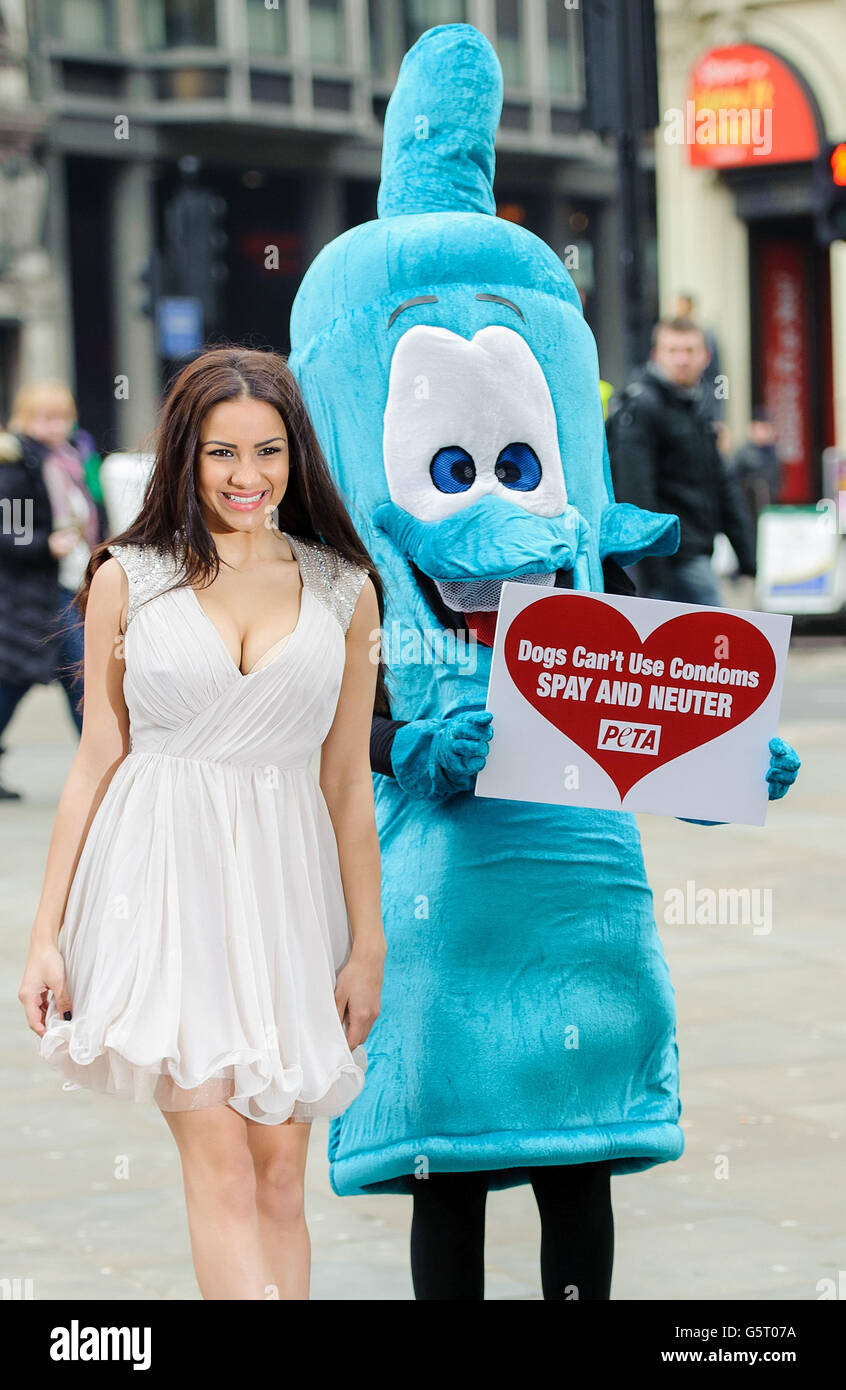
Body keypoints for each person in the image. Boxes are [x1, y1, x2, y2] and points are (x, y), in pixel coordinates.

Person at [18, 347, 387, 1301]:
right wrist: (46, 936)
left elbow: (347, 782)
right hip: (163, 882)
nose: (247, 478)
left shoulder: (345, 588)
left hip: (285, 898)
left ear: (295, 457)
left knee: (279, 1178)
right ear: (185, 457)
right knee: (220, 1163)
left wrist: (368, 946)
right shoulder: (127, 579)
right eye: (222, 454)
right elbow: (96, 759)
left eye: (268, 453)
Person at [606, 317, 757, 606]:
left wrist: (747, 555)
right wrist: (650, 566)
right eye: (673, 350)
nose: (681, 359)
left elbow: (721, 484)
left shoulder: (695, 406)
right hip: (665, 560)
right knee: (716, 639)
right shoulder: (641, 406)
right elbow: (635, 489)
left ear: (706, 357)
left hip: (695, 551)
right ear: (656, 355)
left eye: (689, 351)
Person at [0, 383, 100, 800]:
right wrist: (46, 543)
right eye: (46, 417)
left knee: (75, 681)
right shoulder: (17, 465)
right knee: (80, 678)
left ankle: (100, 767)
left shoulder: (72, 460)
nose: (56, 425)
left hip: (65, 589)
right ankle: (102, 769)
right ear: (25, 418)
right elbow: (12, 531)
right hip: (29, 598)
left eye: (62, 416)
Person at [732, 408, 781, 527]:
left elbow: (777, 480)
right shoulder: (743, 454)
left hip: (768, 508)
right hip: (748, 511)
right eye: (760, 428)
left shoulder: (772, 454)